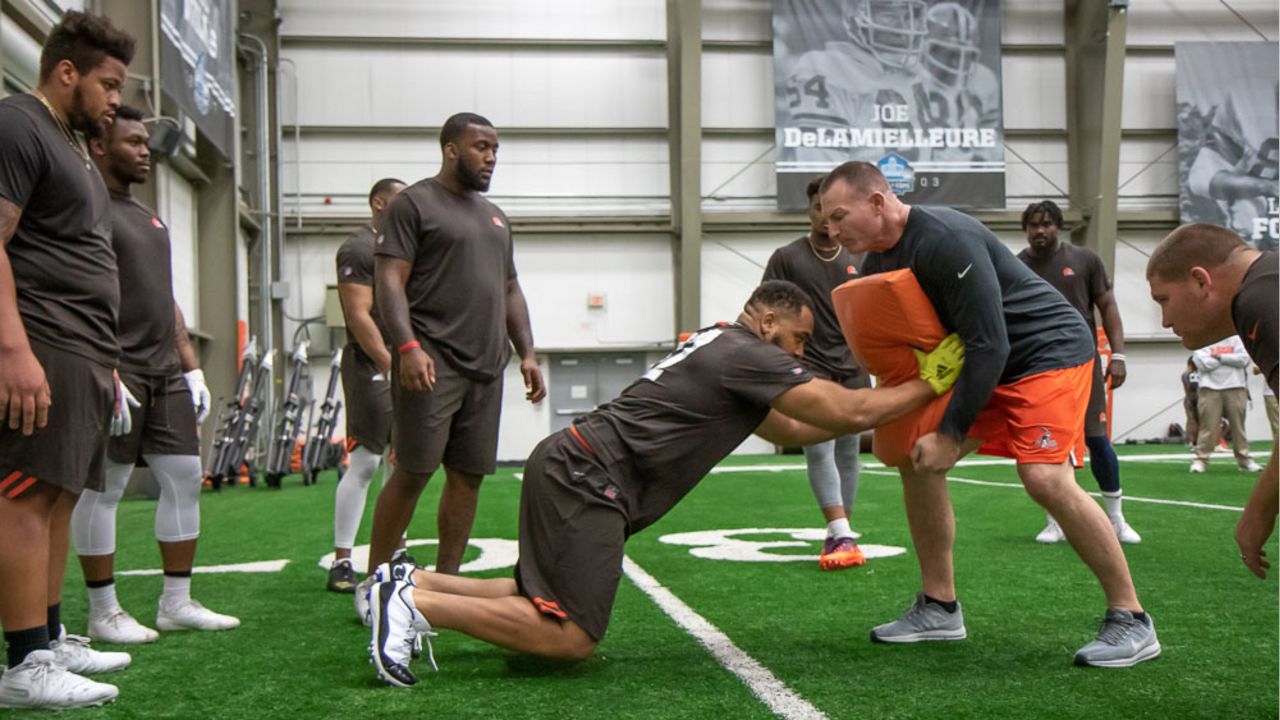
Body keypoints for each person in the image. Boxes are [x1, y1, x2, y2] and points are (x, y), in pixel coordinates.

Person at [363, 281, 966, 687]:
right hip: (589, 477)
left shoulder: (723, 345)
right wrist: (928, 384)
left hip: (573, 464)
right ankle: (414, 605)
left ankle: (410, 579)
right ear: (766, 317)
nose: (800, 352)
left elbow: (795, 424)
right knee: (571, 636)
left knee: (532, 588)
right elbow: (845, 412)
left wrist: (886, 404)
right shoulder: (748, 353)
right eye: (798, 338)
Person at [819, 161, 1159, 668]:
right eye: (826, 219)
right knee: (918, 460)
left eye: (839, 215)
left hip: (1049, 353)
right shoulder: (877, 264)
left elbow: (990, 341)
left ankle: (1132, 618)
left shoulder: (944, 238)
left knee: (1044, 476)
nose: (830, 229)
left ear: (877, 202)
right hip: (988, 365)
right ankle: (939, 607)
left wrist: (952, 433)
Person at [0, 12, 135, 709]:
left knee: (57, 496)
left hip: (81, 347)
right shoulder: (19, 125)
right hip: (41, 339)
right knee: (24, 495)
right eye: (108, 85)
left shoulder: (73, 144)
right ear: (65, 73)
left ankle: (48, 639)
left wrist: (104, 361)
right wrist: (13, 350)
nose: (115, 100)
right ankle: (24, 664)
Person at [68, 105, 239, 644]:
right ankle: (103, 611)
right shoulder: (84, 208)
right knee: (106, 487)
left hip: (164, 371)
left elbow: (164, 300)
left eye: (146, 141)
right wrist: (103, 364)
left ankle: (176, 603)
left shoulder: (149, 216)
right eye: (133, 142)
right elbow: (76, 293)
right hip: (114, 367)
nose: (145, 150)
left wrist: (191, 368)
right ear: (99, 146)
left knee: (185, 477)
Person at [367, 112, 545, 579]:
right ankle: (376, 584)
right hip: (431, 362)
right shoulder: (413, 204)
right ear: (450, 149)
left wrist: (526, 352)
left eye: (494, 150)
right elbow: (388, 279)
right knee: (413, 473)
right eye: (480, 147)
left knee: (467, 478)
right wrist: (406, 347)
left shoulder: (495, 217)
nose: (490, 158)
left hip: (487, 367)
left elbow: (510, 289)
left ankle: (446, 581)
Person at [1146, 223, 1277, 578]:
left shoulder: (1261, 299)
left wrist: (1257, 514)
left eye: (1164, 300)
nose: (1166, 320)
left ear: (1201, 281)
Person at [1016, 200, 1140, 544]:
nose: (1040, 231)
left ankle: (1116, 519)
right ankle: (1055, 522)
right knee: (1048, 446)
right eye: (1033, 225)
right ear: (1025, 229)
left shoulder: (1085, 261)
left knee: (1097, 439)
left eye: (1047, 224)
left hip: (1083, 362)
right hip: (1038, 368)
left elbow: (1108, 306)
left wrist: (1120, 355)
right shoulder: (1016, 267)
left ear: (1058, 227)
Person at [762, 175, 869, 570]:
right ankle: (839, 530)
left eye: (832, 209)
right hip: (810, 366)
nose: (825, 217)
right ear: (809, 210)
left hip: (856, 365)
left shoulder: (861, 254)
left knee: (849, 450)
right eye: (817, 208)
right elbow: (765, 310)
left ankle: (841, 531)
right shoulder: (787, 257)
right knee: (818, 446)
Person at [327, 177, 406, 593]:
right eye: (399, 198)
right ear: (379, 202)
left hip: (405, 361)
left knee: (403, 460)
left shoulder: (407, 247)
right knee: (366, 462)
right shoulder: (359, 247)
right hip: (371, 365)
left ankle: (396, 551)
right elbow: (358, 315)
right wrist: (389, 362)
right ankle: (342, 561)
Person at [1189, 335, 1262, 473]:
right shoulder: (1202, 338)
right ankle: (1201, 460)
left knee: (1238, 426)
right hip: (1209, 388)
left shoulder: (1236, 338)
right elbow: (1202, 363)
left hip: (1236, 386)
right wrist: (1229, 358)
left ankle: (1244, 460)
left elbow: (1244, 360)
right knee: (1207, 427)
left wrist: (1218, 357)